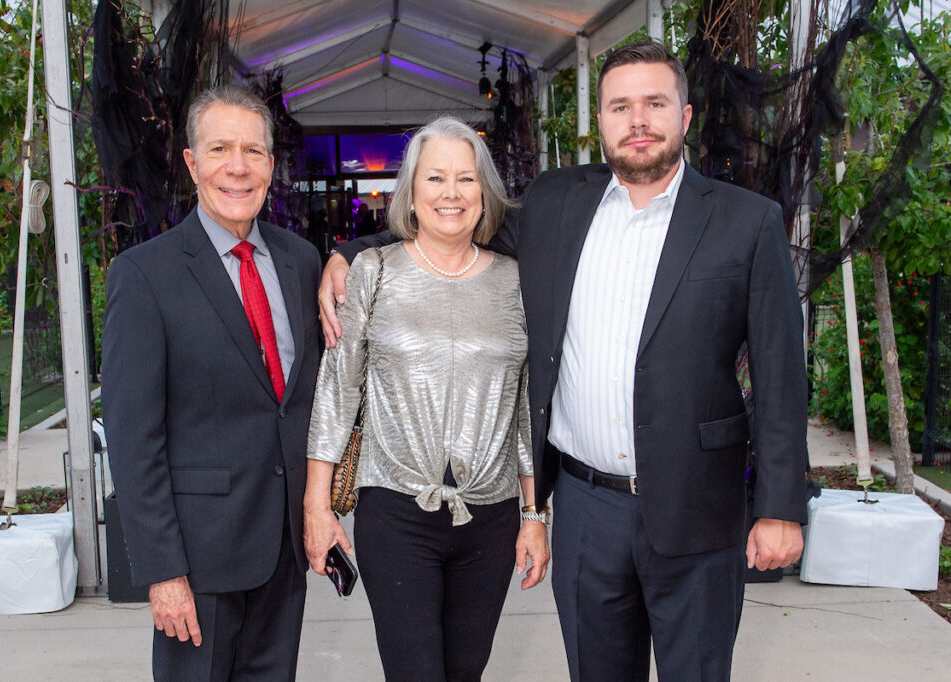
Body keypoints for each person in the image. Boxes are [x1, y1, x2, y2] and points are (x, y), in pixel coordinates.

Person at [319, 42, 808, 681]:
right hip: (584, 508)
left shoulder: (746, 222)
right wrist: (349, 250)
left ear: (685, 117)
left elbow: (778, 378)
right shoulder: (556, 203)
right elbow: (455, 218)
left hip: (698, 506)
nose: (637, 120)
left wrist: (780, 508)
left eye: (654, 104)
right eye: (620, 106)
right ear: (599, 121)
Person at [303, 116, 550, 682]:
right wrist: (317, 509)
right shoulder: (373, 270)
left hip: (490, 517)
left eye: (466, 179)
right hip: (395, 514)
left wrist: (534, 516)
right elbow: (336, 393)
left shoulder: (517, 280)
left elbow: (525, 409)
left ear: (484, 196)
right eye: (435, 178)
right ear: (410, 195)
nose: (451, 193)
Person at [102, 84, 322, 681]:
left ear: (272, 167)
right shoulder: (144, 275)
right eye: (220, 148)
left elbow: (302, 400)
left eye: (254, 151)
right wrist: (162, 571)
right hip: (197, 563)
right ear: (193, 164)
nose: (238, 166)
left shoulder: (301, 261)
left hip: (283, 551)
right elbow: (132, 437)